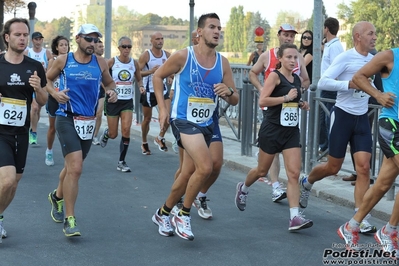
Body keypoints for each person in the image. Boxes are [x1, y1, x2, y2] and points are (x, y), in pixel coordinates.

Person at [151, 13, 239, 240]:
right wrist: (162, 109)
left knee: (188, 172)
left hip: (207, 122)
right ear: (199, 32)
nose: (217, 31)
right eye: (212, 27)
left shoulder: (223, 63)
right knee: (206, 167)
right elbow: (158, 77)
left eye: (219, 28)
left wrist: (228, 92)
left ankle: (163, 213)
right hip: (183, 120)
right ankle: (184, 213)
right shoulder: (183, 56)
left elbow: (235, 98)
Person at [299, 21, 378, 234]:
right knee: (333, 167)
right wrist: (348, 84)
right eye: (371, 34)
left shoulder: (374, 60)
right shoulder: (345, 57)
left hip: (361, 118)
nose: (375, 38)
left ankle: (360, 216)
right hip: (342, 116)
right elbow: (323, 81)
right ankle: (307, 181)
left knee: (363, 168)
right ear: (358, 36)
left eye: (375, 34)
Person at [46, 24, 117, 237]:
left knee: (71, 167)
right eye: (89, 39)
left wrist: (112, 92)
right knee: (76, 168)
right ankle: (70, 219)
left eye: (96, 40)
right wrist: (55, 94)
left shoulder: (100, 62)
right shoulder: (64, 60)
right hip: (66, 117)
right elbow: (47, 79)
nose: (93, 44)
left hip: (87, 121)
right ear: (77, 38)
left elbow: (110, 83)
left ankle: (57, 196)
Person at [235, 43, 312, 231]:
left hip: (291, 131)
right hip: (272, 129)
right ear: (280, 59)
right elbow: (263, 100)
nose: (293, 61)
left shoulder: (295, 79)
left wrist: (300, 103)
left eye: (295, 57)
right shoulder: (274, 77)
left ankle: (294, 217)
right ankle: (243, 188)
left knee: (294, 173)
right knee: (262, 171)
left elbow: (291, 99)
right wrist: (285, 98)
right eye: (289, 57)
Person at [337, 47, 399, 254]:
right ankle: (390, 231)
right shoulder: (389, 56)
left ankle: (352, 225)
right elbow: (359, 76)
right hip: (392, 124)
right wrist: (378, 95)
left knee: (382, 184)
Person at [249, 23, 310, 202]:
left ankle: (293, 209)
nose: (289, 38)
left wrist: (298, 94)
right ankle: (275, 185)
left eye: (292, 36)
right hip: (271, 107)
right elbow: (253, 73)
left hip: (290, 110)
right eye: (286, 35)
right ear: (279, 35)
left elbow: (305, 80)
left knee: (290, 157)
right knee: (273, 151)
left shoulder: (297, 57)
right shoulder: (268, 55)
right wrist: (261, 88)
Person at [0, 17, 47, 243]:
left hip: (20, 132)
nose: (22, 38)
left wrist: (39, 89)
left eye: (25, 34)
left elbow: (44, 100)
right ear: (7, 37)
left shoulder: (34, 66)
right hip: (0, 132)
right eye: (18, 34)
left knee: (15, 180)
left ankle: (0, 217)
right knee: (7, 180)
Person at [99, 36, 144, 172]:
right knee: (114, 134)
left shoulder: (134, 63)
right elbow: (101, 77)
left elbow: (139, 78)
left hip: (127, 102)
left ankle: (121, 161)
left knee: (126, 130)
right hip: (113, 101)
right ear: (119, 48)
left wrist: (141, 86)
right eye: (124, 46)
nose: (126, 49)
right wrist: (107, 91)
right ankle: (107, 133)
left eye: (129, 47)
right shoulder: (112, 62)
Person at [138, 32, 172, 154]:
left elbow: (173, 71)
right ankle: (144, 142)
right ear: (151, 41)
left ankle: (160, 137)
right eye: (157, 39)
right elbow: (137, 73)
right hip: (149, 92)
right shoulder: (146, 56)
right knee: (147, 119)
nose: (160, 41)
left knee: (168, 116)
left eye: (162, 39)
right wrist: (151, 71)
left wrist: (170, 76)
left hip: (162, 90)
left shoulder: (167, 55)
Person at [319, 18, 344, 156]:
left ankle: (328, 152)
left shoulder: (335, 47)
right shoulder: (331, 44)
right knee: (324, 120)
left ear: (326, 29)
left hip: (331, 89)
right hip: (327, 87)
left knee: (328, 121)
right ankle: (324, 149)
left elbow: (337, 68)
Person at [45, 35, 70, 166]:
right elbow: (47, 80)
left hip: (67, 98)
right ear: (56, 47)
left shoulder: (71, 60)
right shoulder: (53, 60)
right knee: (53, 128)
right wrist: (54, 93)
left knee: (67, 128)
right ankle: (49, 150)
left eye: (66, 44)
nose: (64, 47)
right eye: (61, 45)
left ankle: (69, 155)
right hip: (55, 97)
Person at [24, 31, 52, 145]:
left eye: (40, 39)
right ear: (32, 41)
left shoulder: (47, 53)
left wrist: (46, 71)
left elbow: (50, 70)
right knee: (34, 108)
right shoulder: (27, 52)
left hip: (42, 84)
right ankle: (33, 132)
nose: (38, 41)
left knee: (38, 109)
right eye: (36, 39)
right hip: (31, 83)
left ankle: (32, 127)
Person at [92, 39, 106, 145]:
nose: (102, 48)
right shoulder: (90, 60)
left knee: (99, 113)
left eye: (103, 46)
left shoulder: (104, 61)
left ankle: (95, 136)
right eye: (100, 47)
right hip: (90, 90)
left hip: (101, 91)